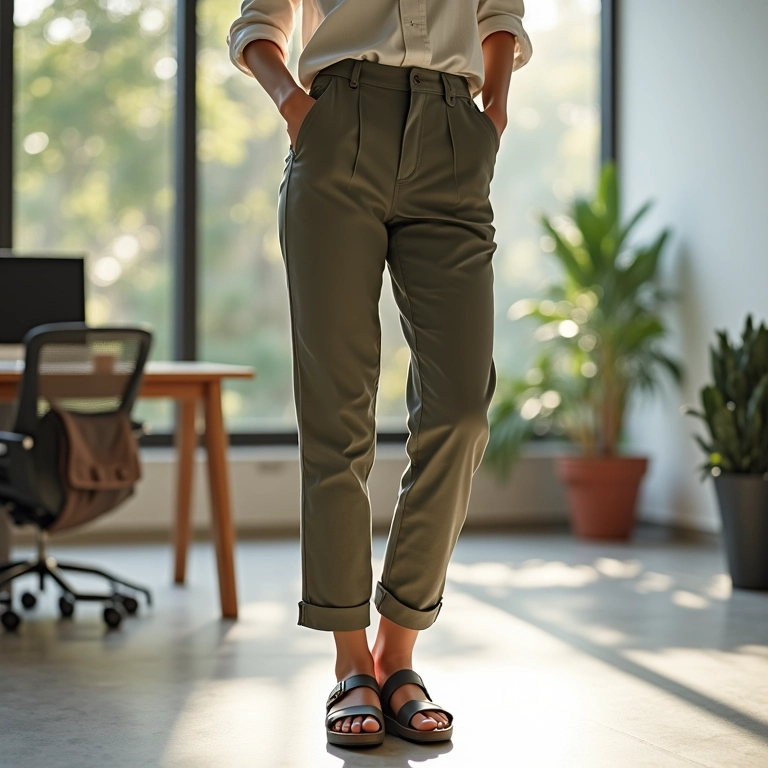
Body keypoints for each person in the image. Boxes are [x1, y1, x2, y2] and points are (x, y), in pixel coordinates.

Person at [227, 0, 532, 748]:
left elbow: (500, 11)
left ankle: (398, 650)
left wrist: (492, 109)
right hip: (338, 126)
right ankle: (349, 663)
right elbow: (256, 25)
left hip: (454, 137)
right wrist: (297, 108)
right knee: (338, 417)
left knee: (462, 409)